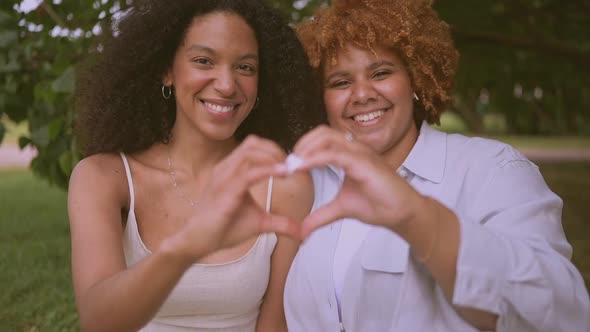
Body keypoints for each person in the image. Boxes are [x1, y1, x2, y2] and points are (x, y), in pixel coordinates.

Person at [284, 0, 590, 331]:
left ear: (415, 79)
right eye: (341, 82)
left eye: (381, 73)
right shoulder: (303, 180)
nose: (362, 94)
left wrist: (420, 217)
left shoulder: (492, 171)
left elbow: (562, 314)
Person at [68, 0, 324, 331]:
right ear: (167, 70)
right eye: (204, 61)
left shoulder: (286, 186)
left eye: (245, 67)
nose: (227, 84)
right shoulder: (104, 177)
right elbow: (100, 320)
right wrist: (188, 245)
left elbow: (274, 324)